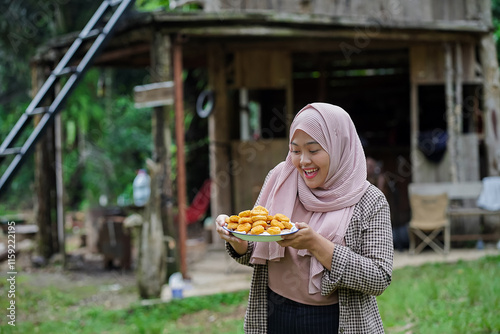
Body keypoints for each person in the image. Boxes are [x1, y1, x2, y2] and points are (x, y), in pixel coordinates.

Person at [215, 103, 393, 334]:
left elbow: (378, 278)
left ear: (339, 146)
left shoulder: (370, 200)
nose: (303, 161)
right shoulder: (280, 178)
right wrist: (238, 242)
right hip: (275, 315)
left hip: (334, 321)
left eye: (313, 150)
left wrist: (315, 244)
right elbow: (255, 250)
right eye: (295, 151)